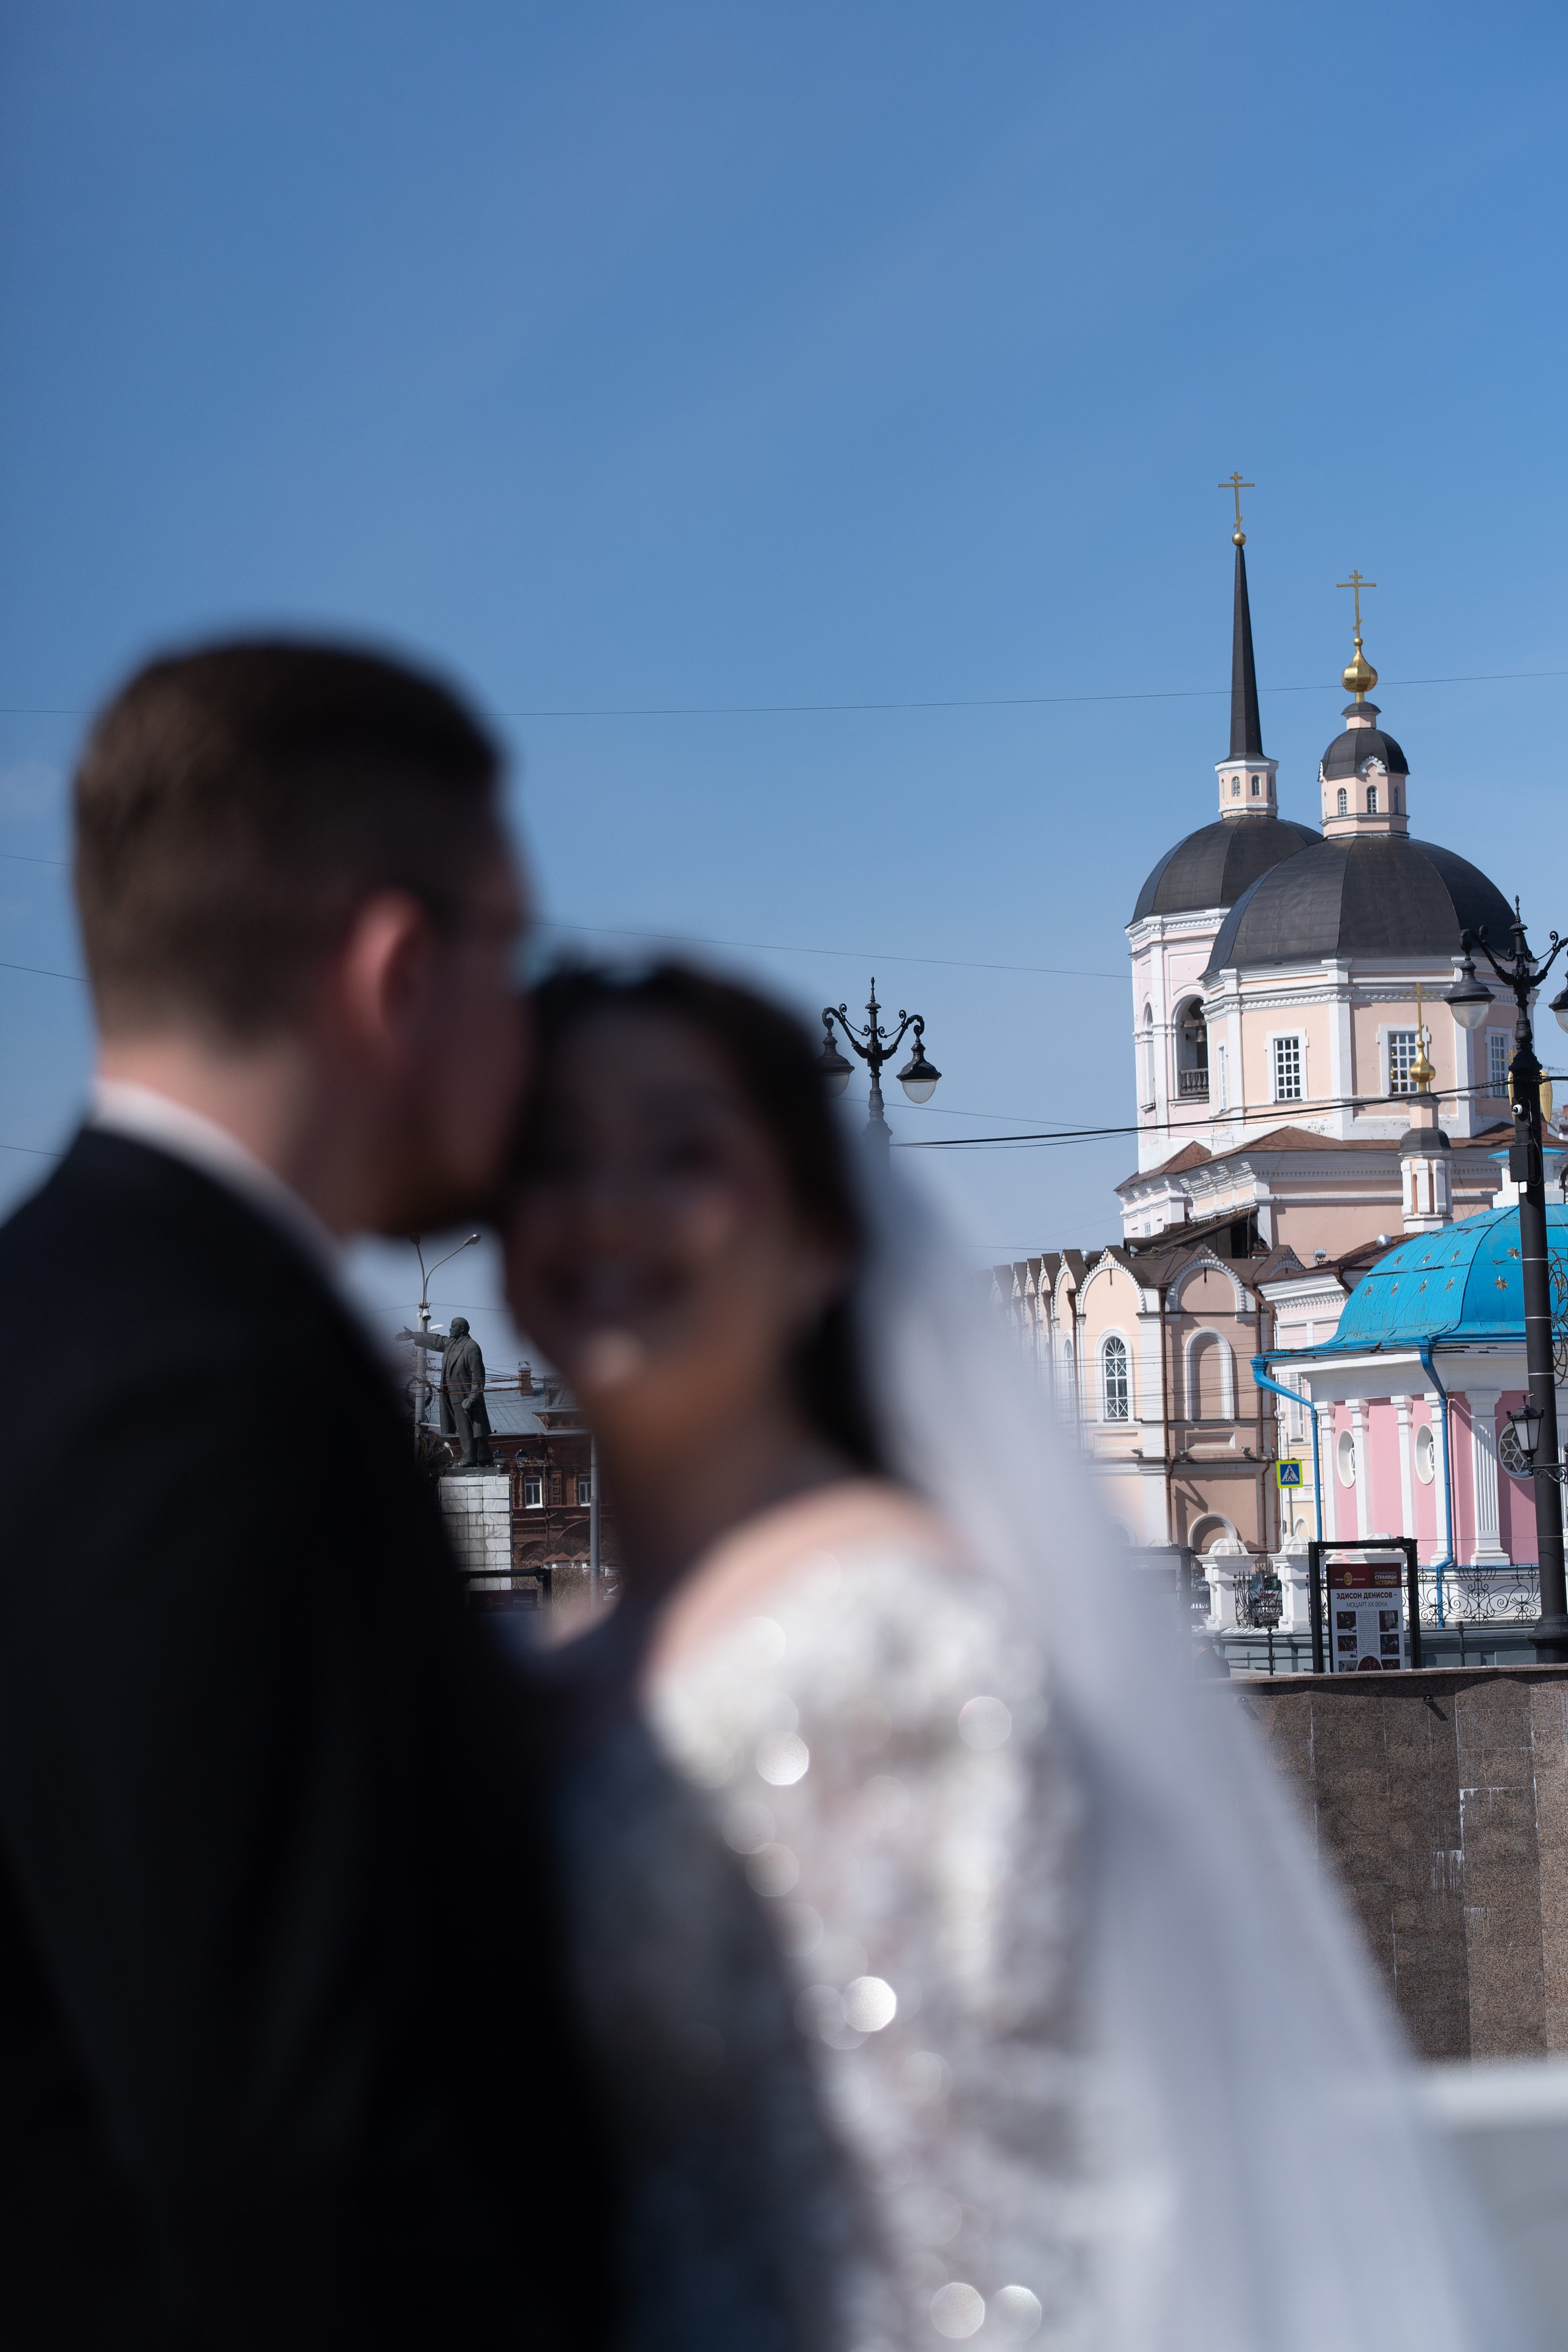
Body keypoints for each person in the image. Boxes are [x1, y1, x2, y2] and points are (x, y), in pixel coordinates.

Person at [501, 959, 1537, 2352]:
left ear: (822, 1239)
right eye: (553, 1156)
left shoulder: (889, 1644)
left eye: (683, 1153)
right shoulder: (564, 1654)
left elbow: (967, 2229)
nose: (606, 1205)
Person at [0, 643, 609, 2350]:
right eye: (513, 951)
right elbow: (292, 2161)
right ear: (397, 970)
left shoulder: (79, 1309)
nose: (529, 1026)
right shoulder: (199, 1394)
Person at [442, 1314, 494, 1467]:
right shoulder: (452, 1344)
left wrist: (472, 1398)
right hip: (453, 1397)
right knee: (466, 1429)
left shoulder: (472, 1347)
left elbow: (478, 1377)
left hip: (466, 1398)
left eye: (453, 1326)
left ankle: (470, 1458)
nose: (450, 1329)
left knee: (469, 1429)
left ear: (462, 1329)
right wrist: (414, 1336)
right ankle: (483, 1457)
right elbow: (436, 1340)